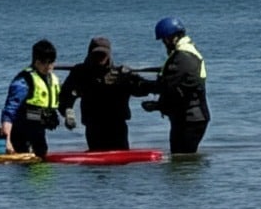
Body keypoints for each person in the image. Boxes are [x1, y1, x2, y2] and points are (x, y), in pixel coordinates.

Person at [58, 36, 150, 151]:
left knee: (120, 162)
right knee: (97, 165)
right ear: (90, 53)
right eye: (96, 54)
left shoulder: (119, 74)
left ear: (109, 54)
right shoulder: (80, 73)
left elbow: (142, 90)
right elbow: (65, 95)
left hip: (117, 126)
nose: (100, 58)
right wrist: (68, 112)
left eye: (103, 54)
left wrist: (134, 79)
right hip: (94, 126)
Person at [136, 16, 210, 154]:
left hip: (190, 119)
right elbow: (176, 87)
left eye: (164, 40)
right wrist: (159, 106)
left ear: (173, 37)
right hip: (188, 117)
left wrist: (139, 84)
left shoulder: (183, 57)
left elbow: (165, 85)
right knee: (180, 160)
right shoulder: (183, 54)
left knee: (182, 160)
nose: (164, 43)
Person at [0, 39, 62, 159]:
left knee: (42, 162)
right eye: (44, 62)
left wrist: (64, 115)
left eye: (51, 62)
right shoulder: (23, 82)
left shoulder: (53, 80)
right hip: (20, 132)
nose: (48, 67)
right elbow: (10, 112)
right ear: (36, 62)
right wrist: (7, 142)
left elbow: (59, 101)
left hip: (38, 133)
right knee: (30, 167)